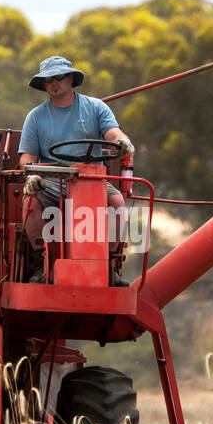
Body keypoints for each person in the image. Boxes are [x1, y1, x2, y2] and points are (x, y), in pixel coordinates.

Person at [18, 56, 134, 286]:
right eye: (48, 79)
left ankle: (109, 266)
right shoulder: (36, 117)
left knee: (117, 203)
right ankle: (40, 265)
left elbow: (113, 134)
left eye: (59, 76)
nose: (54, 82)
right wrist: (31, 175)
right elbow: (27, 158)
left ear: (71, 78)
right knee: (30, 201)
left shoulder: (96, 107)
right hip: (52, 181)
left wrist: (123, 141)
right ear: (43, 84)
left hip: (92, 178)